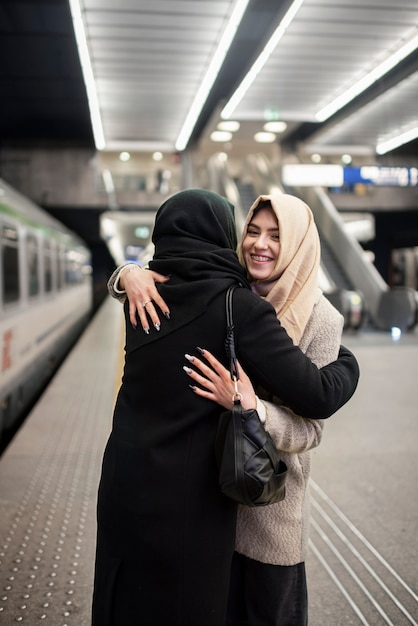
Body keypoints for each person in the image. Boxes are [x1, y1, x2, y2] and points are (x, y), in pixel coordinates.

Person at [95, 188, 359, 626]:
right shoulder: (236, 300)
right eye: (251, 231)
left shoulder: (316, 317)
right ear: (229, 237)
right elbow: (319, 392)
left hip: (257, 505)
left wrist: (253, 407)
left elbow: (312, 422)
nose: (260, 244)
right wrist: (127, 273)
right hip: (202, 506)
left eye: (276, 235)